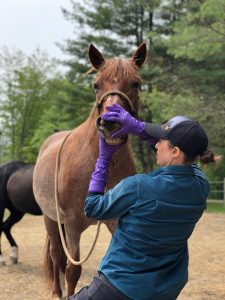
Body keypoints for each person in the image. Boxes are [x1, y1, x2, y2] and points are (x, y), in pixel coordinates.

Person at [69, 104, 214, 300]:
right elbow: (189, 161)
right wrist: (137, 126)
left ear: (175, 152)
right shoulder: (201, 186)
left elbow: (92, 208)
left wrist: (104, 158)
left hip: (118, 286)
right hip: (165, 291)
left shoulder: (138, 187)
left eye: (161, 141)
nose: (155, 144)